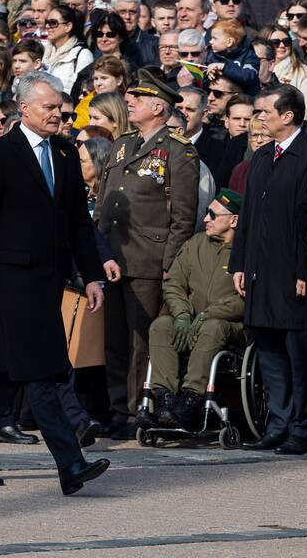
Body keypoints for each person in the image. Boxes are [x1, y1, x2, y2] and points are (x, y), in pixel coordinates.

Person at [0, 71, 109, 495]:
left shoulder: (65, 152)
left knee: (7, 370)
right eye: (49, 107)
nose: (59, 113)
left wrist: (92, 275)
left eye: (60, 106)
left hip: (51, 278)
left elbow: (78, 223)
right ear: (24, 109)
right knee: (43, 371)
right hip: (13, 278)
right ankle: (70, 464)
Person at [94, 73, 200, 439]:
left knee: (140, 341)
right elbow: (105, 202)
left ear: (158, 107)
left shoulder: (178, 149)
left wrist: (170, 263)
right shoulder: (122, 144)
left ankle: (138, 408)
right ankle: (116, 407)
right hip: (112, 254)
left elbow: (184, 216)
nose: (130, 102)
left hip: (147, 258)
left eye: (138, 98)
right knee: (114, 339)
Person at [230, 83, 307, 456]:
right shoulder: (261, 156)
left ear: (287, 116)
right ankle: (278, 422)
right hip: (260, 270)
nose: (258, 118)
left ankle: (302, 427)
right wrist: (238, 263)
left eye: (264, 112)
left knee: (299, 356)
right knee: (269, 352)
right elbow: (249, 214)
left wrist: (306, 271)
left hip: (293, 272)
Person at [142, 189, 245, 430]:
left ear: (234, 220)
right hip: (190, 319)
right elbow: (173, 283)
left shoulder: (245, 251)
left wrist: (207, 314)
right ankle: (165, 400)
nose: (205, 218)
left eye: (212, 214)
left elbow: (244, 300)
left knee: (212, 327)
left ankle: (190, 400)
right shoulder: (196, 244)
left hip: (228, 326)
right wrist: (182, 314)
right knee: (161, 325)